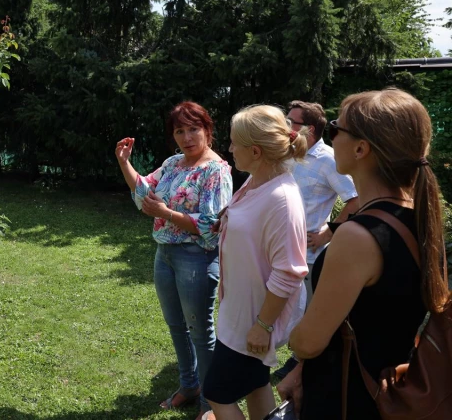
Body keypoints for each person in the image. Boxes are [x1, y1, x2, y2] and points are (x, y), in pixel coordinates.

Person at [278, 88, 449, 419]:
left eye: (334, 128)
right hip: (390, 386)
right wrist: (301, 370)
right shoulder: (420, 217)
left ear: (361, 148)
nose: (331, 138)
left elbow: (310, 341)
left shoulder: (357, 236)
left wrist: (294, 341)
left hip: (346, 396)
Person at [115, 101, 232, 417]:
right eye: (180, 131)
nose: (187, 137)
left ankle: (212, 403)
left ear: (207, 130)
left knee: (199, 331)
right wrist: (125, 163)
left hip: (196, 258)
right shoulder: (173, 163)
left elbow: (212, 225)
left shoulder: (215, 171)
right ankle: (189, 385)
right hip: (164, 254)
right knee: (176, 326)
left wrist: (167, 213)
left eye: (193, 128)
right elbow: (144, 193)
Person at [201, 105, 308, 420]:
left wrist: (262, 326)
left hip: (254, 320)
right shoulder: (255, 181)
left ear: (256, 151)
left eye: (235, 143)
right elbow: (251, 223)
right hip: (240, 312)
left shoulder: (282, 199)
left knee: (217, 394)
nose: (230, 149)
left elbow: (289, 273)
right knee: (256, 384)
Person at [274, 101, 359, 379]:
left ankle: (301, 363)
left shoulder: (329, 160)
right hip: (277, 246)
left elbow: (355, 201)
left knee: (306, 310)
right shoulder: (287, 154)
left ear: (308, 129)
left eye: (291, 122)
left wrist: (328, 232)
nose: (286, 126)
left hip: (307, 252)